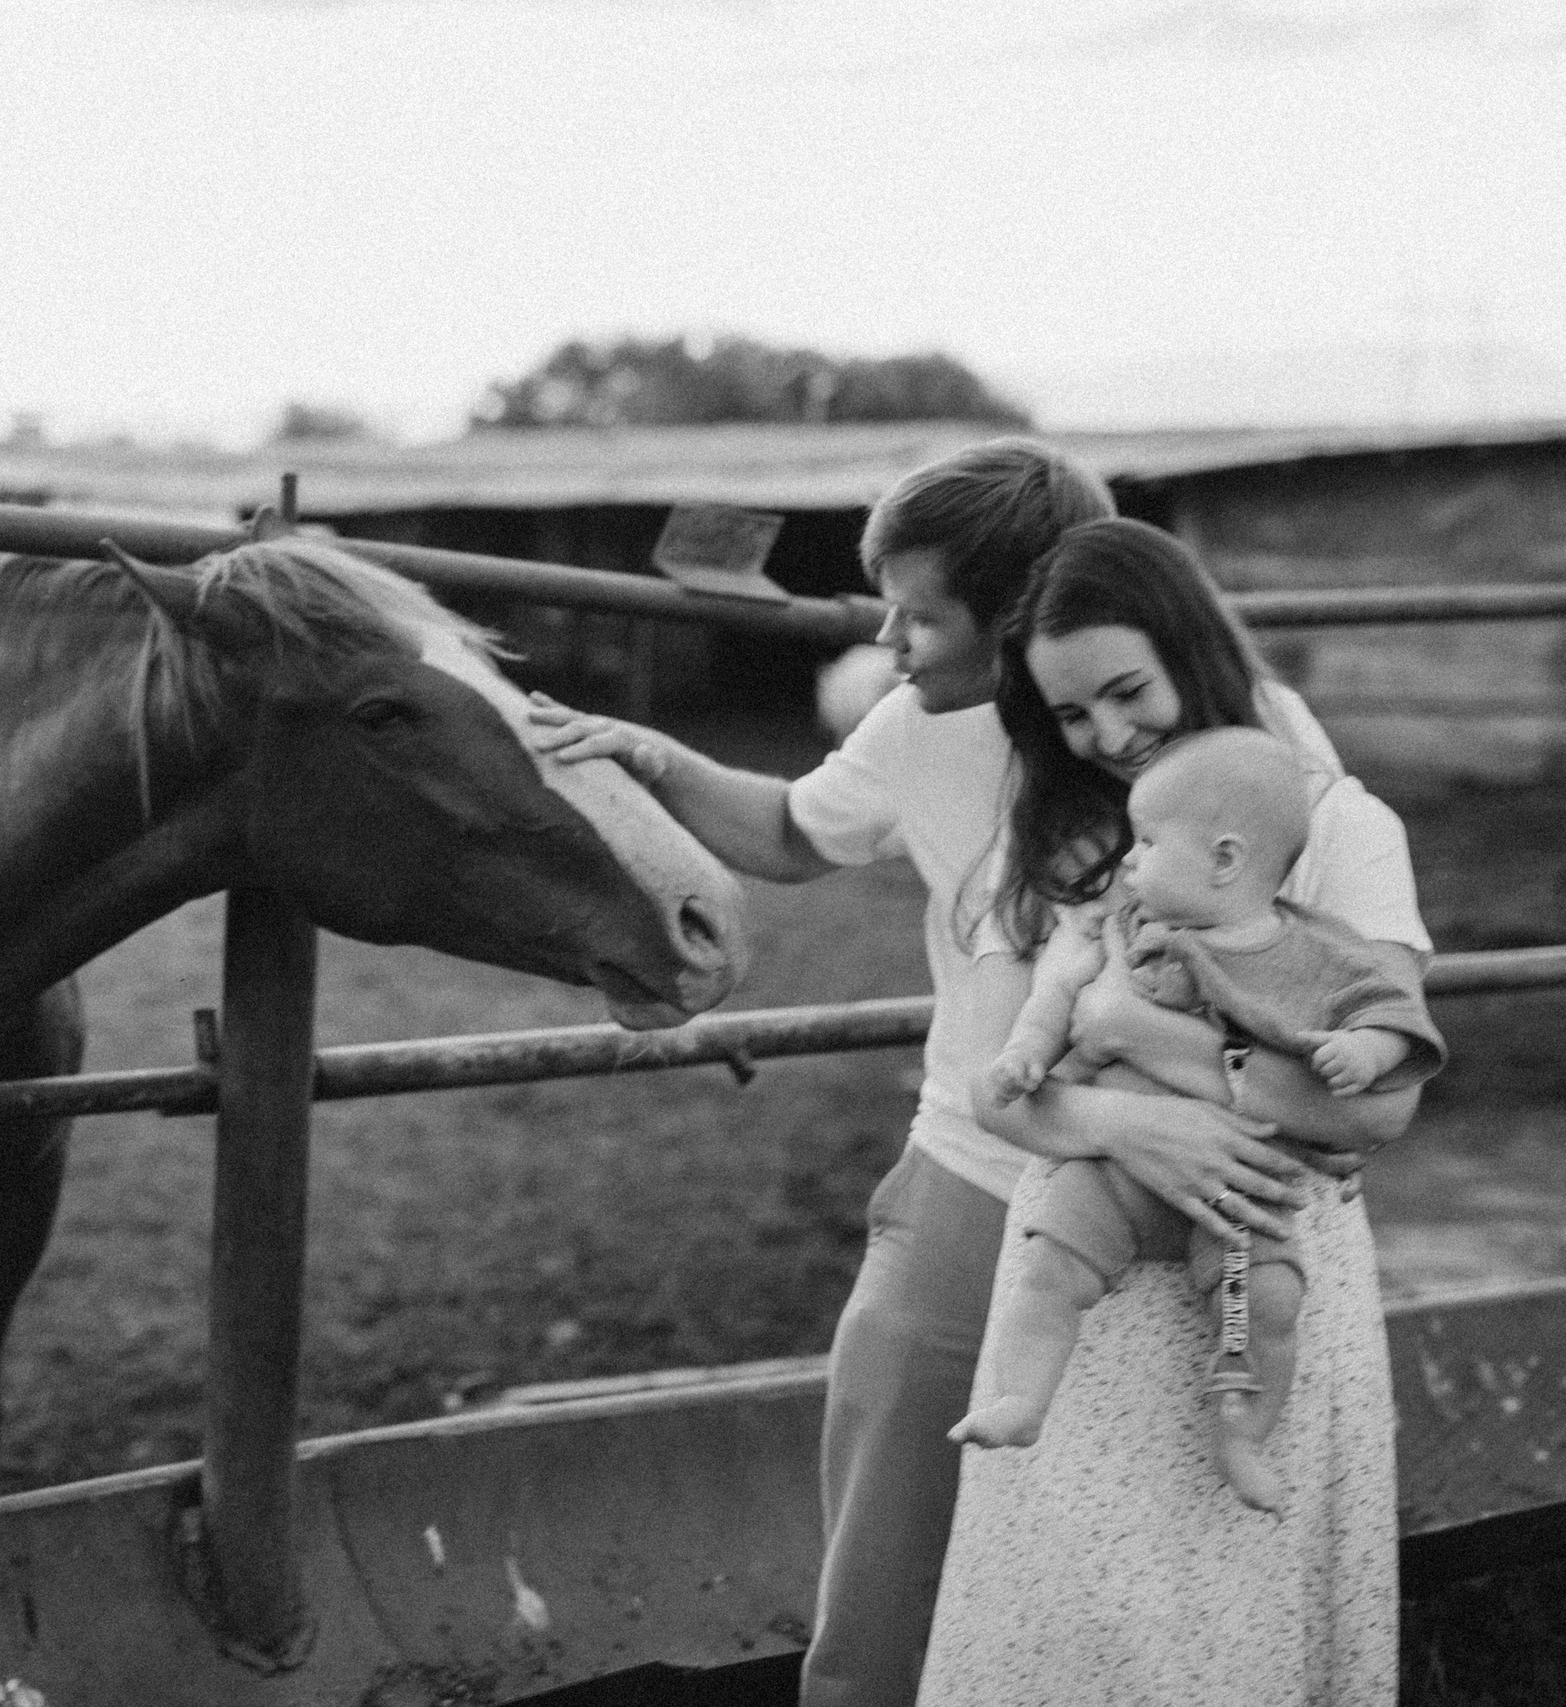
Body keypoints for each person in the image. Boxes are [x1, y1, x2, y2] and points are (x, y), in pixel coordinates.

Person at [528, 437, 1284, 1707]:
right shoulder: (918, 730)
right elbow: (786, 830)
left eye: (922, 614)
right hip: (975, 1177)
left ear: (1021, 617)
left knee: (1139, 1563)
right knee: (887, 1550)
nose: (888, 637)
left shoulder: (1234, 749)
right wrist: (649, 757)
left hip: (1179, 1203)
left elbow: (1323, 981)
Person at [913, 517, 1429, 1706]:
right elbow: (997, 1083)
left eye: (1124, 691)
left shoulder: (1336, 830)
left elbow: (1378, 1110)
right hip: (1080, 1275)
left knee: (1230, 1618)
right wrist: (1118, 1125)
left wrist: (1141, 1044)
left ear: (1188, 648)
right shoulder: (1050, 845)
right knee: (1083, 1620)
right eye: (1070, 717)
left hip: (1263, 1247)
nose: (1106, 737)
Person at [950, 725, 1443, 1513]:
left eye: (1146, 842)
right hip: (1113, 1173)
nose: (1130, 860)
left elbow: (1391, 1012)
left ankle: (1242, 1435)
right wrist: (1027, 1054)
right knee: (1050, 1271)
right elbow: (1055, 997)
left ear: (1224, 859)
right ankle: (1022, 1397)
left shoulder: (1316, 949)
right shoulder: (1119, 929)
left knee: (1264, 1310)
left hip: (1240, 1191)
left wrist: (1368, 1052)